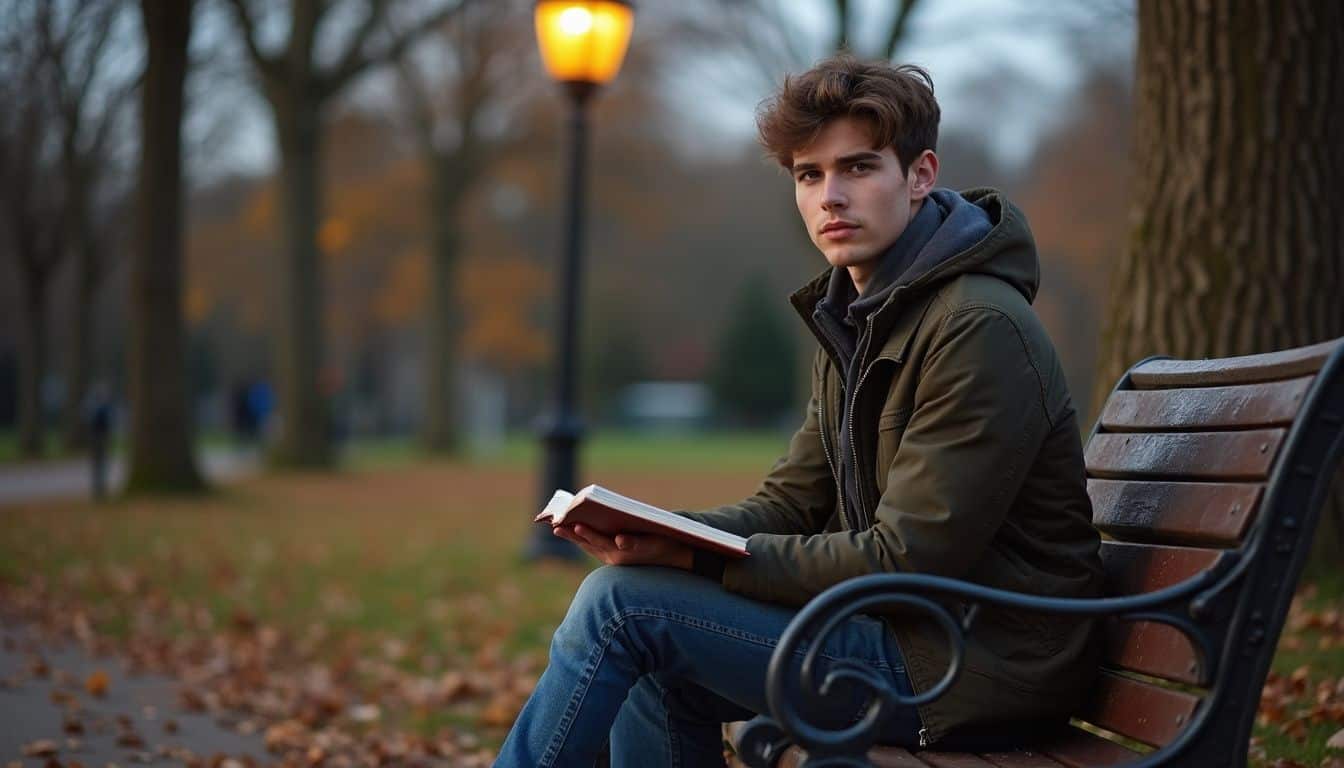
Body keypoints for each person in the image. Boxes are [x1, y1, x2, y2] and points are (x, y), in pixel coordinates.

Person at [494, 55, 1103, 767]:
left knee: (623, 608)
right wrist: (657, 532)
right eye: (809, 175)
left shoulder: (977, 327)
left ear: (921, 175)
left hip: (975, 664)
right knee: (639, 610)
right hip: (906, 633)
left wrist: (694, 559)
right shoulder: (856, 314)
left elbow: (904, 557)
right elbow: (789, 503)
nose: (830, 197)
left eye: (858, 168)